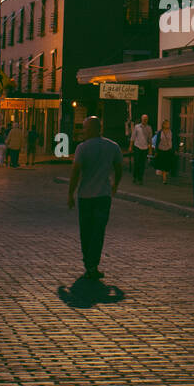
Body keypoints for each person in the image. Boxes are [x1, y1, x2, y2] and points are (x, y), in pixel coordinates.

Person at [67, 116, 123, 281]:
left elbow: (76, 172)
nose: (83, 131)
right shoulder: (112, 147)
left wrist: (71, 193)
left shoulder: (82, 148)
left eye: (85, 128)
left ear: (91, 129)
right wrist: (115, 185)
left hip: (85, 196)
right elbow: (119, 168)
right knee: (98, 231)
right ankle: (93, 264)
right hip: (103, 196)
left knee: (86, 231)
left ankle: (89, 263)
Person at [129, 113, 153, 185]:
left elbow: (150, 139)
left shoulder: (149, 128)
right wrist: (130, 146)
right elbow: (133, 137)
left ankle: (140, 178)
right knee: (136, 162)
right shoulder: (137, 127)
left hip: (145, 147)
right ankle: (135, 176)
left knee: (142, 164)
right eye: (143, 119)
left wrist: (150, 149)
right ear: (141, 119)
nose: (145, 120)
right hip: (137, 146)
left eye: (146, 119)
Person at [153, 119, 176, 184]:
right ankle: (164, 178)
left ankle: (165, 176)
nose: (167, 125)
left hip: (168, 150)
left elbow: (173, 140)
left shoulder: (171, 132)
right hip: (161, 150)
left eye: (168, 124)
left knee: (167, 164)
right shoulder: (160, 132)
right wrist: (156, 151)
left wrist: (174, 149)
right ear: (163, 125)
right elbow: (157, 142)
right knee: (163, 164)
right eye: (166, 124)